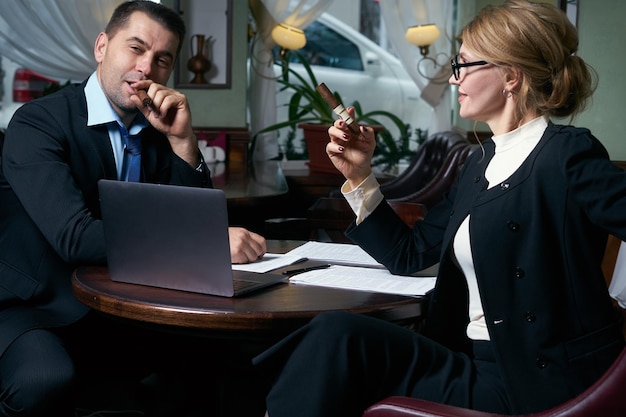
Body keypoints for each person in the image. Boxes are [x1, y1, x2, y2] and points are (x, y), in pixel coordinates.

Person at [253, 1, 626, 416]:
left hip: (540, 382)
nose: (453, 77)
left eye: (464, 63)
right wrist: (360, 177)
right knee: (336, 331)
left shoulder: (566, 155)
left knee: (336, 346)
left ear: (510, 76)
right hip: (473, 363)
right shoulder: (477, 164)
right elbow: (408, 254)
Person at [0, 1, 265, 415]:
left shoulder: (160, 132)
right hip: (37, 308)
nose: (146, 68)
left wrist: (182, 142)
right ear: (102, 46)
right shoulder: (38, 123)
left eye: (162, 59)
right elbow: (74, 237)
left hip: (127, 305)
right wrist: (204, 244)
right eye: (135, 48)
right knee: (44, 379)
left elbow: (190, 218)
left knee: (239, 356)